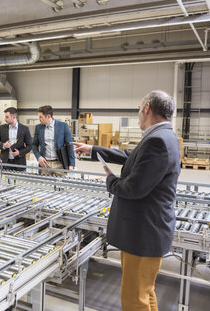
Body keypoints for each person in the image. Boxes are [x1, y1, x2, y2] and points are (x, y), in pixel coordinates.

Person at [71, 90, 180, 311]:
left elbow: (133, 189)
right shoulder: (164, 136)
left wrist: (110, 180)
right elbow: (133, 157)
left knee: (133, 300)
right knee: (145, 293)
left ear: (147, 108)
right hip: (148, 233)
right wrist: (93, 149)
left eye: (139, 109)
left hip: (142, 235)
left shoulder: (157, 141)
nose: (139, 114)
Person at [32, 105, 75, 176]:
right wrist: (38, 156)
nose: (39, 119)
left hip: (60, 163)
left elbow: (69, 145)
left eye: (41, 117)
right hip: (45, 164)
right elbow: (34, 144)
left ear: (48, 116)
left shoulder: (63, 126)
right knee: (45, 185)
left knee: (61, 186)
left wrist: (71, 164)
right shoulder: (38, 128)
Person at [0, 107, 32, 171]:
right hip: (5, 163)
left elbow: (30, 146)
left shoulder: (25, 129)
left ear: (13, 117)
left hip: (20, 164)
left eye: (7, 117)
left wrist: (19, 152)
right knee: (5, 181)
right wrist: (3, 145)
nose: (5, 119)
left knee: (20, 181)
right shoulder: (1, 128)